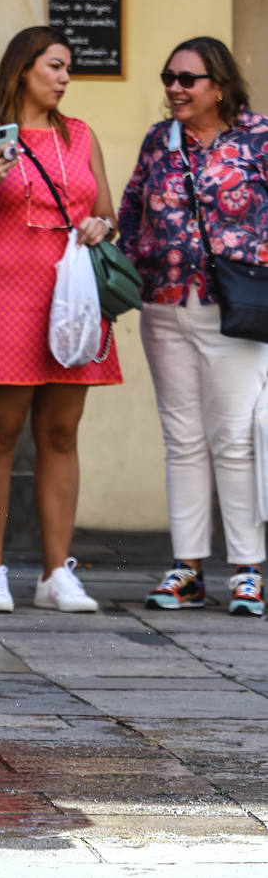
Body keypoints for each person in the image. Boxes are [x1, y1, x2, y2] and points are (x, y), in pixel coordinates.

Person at [0, 26, 121, 614]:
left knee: (62, 433)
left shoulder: (82, 136)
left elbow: (107, 213)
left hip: (73, 299)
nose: (66, 78)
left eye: (68, 68)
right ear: (23, 70)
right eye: (56, 66)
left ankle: (55, 573)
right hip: (5, 296)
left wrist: (101, 227)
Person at [118, 37, 268, 617]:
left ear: (220, 86)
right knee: (181, 439)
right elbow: (133, 209)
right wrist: (131, 261)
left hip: (236, 309)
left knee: (232, 440)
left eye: (189, 79)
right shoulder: (161, 141)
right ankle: (187, 569)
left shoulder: (257, 137)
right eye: (169, 77)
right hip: (164, 305)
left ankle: (248, 570)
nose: (175, 88)